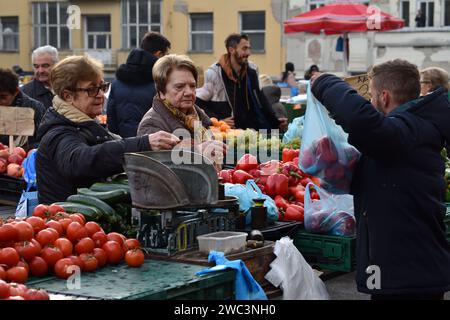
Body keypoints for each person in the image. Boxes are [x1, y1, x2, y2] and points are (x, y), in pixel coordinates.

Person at [311, 59, 450, 300]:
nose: (371, 102)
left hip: (407, 277)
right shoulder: (413, 129)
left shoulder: (405, 131)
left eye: (372, 96)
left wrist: (323, 82)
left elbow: (361, 121)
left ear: (384, 97)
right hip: (406, 271)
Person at [36, 55, 180, 204]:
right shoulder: (59, 133)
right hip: (68, 222)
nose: (100, 95)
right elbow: (80, 160)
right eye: (92, 89)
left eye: (102, 87)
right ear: (68, 96)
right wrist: (144, 144)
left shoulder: (85, 124)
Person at [137, 54, 226, 167]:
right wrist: (198, 152)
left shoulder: (198, 118)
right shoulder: (151, 123)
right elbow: (156, 172)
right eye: (179, 87)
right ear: (162, 93)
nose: (189, 92)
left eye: (192, 86)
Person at [196, 33, 286, 132]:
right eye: (244, 48)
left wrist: (276, 122)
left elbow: (261, 100)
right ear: (231, 50)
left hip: (250, 131)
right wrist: (217, 120)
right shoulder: (213, 73)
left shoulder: (252, 70)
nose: (248, 52)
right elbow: (198, 103)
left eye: (249, 48)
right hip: (227, 134)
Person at [106, 32, 171, 138]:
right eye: (166, 55)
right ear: (158, 54)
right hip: (153, 143)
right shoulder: (159, 82)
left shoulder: (117, 82)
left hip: (123, 143)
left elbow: (111, 116)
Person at [0, 68, 45, 149]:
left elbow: (43, 141)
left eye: (3, 97)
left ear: (16, 92)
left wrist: (22, 148)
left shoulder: (34, 108)